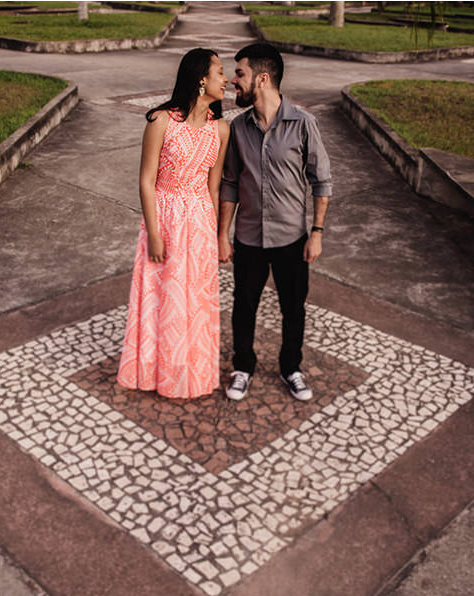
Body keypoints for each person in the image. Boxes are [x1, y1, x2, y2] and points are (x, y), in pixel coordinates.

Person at [218, 43, 332, 402]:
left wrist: (316, 232)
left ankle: (291, 367)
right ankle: (243, 367)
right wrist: (223, 234)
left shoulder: (303, 124)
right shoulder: (238, 128)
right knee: (244, 305)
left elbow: (322, 180)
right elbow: (231, 183)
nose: (233, 81)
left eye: (240, 73)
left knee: (293, 306)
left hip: (291, 237)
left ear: (262, 79)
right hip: (250, 236)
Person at [117, 48, 231, 398]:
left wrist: (215, 236)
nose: (225, 79)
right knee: (160, 299)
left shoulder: (220, 130)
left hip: (198, 222)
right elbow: (146, 181)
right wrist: (153, 232)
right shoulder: (161, 121)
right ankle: (155, 372)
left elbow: (214, 188)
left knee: (194, 303)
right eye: (220, 72)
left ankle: (190, 374)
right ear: (201, 79)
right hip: (164, 218)